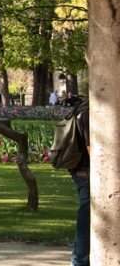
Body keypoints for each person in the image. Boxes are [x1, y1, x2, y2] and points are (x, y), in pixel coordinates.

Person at [69, 99, 90, 266]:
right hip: (86, 171)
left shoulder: (82, 107)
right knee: (87, 217)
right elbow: (92, 148)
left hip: (81, 169)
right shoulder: (91, 112)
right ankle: (79, 261)